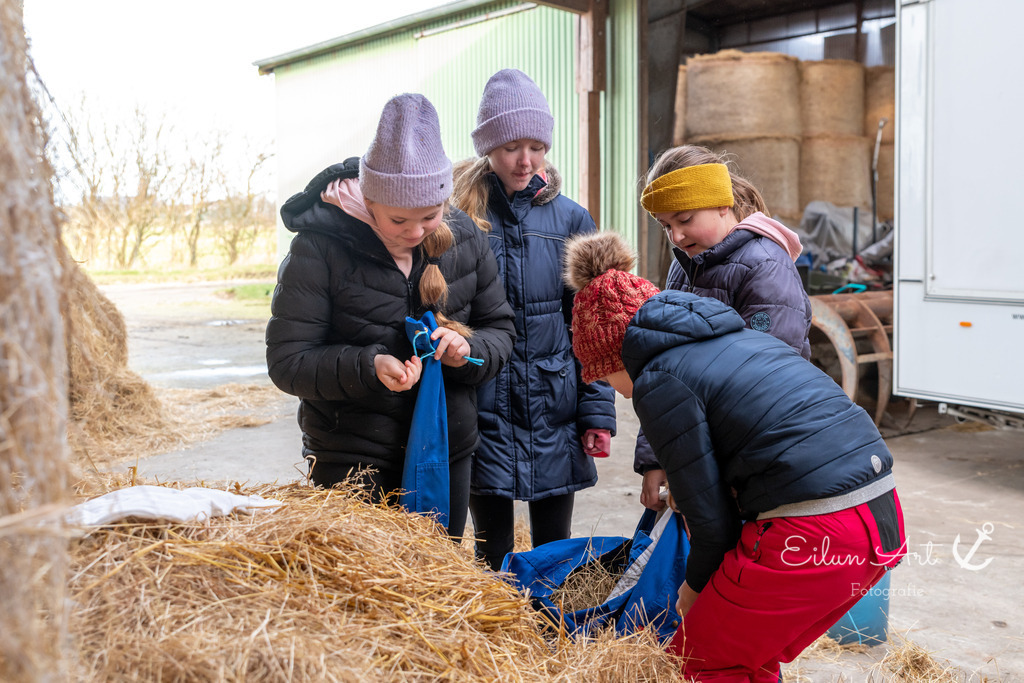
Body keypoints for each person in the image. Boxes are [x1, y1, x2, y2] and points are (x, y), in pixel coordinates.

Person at [563, 231, 905, 682]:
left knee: (702, 658)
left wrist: (694, 586)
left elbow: (710, 518)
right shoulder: (732, 337)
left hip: (815, 523)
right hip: (879, 515)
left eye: (604, 378)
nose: (616, 392)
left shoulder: (658, 379)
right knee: (748, 652)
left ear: (613, 355)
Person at [266, 93, 516, 540]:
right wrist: (367, 366)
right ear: (369, 200)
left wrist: (468, 351)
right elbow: (288, 362)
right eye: (399, 220)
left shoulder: (465, 238)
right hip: (352, 456)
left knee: (436, 582)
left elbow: (500, 330)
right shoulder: (319, 247)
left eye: (429, 217)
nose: (417, 232)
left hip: (445, 448)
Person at [451, 68, 616, 570]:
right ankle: (499, 638)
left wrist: (597, 412)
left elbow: (594, 328)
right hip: (486, 402)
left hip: (555, 405)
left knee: (553, 548)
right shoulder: (461, 217)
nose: (526, 161)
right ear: (488, 149)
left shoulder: (571, 220)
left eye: (537, 146)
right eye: (510, 148)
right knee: (491, 548)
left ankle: (550, 634)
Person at [635, 145, 813, 514]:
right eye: (666, 225)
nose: (677, 237)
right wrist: (656, 457)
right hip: (697, 449)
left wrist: (708, 472)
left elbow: (768, 378)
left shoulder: (764, 266)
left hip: (752, 453)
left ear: (721, 203)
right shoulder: (684, 267)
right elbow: (663, 369)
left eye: (684, 219)